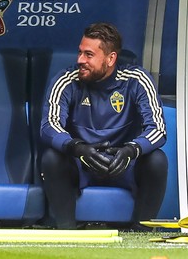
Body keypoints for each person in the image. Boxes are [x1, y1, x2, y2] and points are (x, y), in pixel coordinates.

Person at [40, 22, 168, 230]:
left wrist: (131, 150)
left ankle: (141, 232)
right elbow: (48, 126)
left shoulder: (136, 79)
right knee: (52, 157)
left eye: (88, 55)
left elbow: (158, 129)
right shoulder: (66, 79)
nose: (80, 60)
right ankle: (66, 231)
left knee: (157, 159)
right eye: (80, 52)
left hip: (124, 165)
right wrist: (77, 147)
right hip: (82, 165)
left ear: (111, 59)